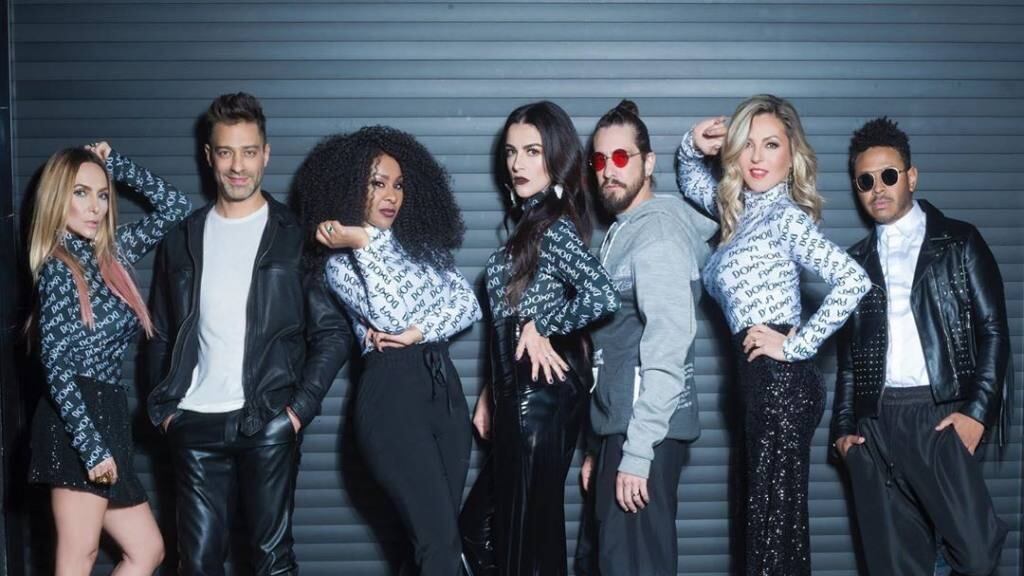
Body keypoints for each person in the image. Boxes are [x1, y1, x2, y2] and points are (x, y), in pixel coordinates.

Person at [146, 92, 352, 575]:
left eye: (248, 152)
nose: (237, 166)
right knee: (197, 565)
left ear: (266, 154)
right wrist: (165, 412)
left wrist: (297, 412)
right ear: (209, 156)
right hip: (194, 421)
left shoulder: (294, 235)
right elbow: (159, 332)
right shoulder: (182, 238)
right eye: (226, 152)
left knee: (270, 562)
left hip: (268, 420)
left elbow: (332, 332)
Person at [676, 94, 870, 575]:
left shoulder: (785, 216)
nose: (757, 157)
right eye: (747, 144)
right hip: (755, 384)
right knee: (761, 532)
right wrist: (692, 143)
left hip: (781, 384)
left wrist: (797, 345)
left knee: (771, 538)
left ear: (792, 153)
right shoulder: (740, 210)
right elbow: (690, 177)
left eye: (771, 144)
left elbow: (854, 280)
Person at [831, 117, 1009, 576]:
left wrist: (976, 414)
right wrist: (845, 433)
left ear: (911, 177)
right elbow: (850, 360)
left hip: (939, 415)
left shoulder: (959, 242)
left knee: (976, 553)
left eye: (888, 175)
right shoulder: (854, 263)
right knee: (893, 565)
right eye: (865, 181)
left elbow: (994, 331)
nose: (878, 189)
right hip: (876, 423)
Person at [303, 126, 482, 576]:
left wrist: (419, 331)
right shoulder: (341, 264)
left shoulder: (422, 248)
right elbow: (391, 314)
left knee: (432, 543)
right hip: (392, 395)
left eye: (398, 184)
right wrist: (363, 241)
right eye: (377, 183)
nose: (391, 196)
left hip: (444, 391)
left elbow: (468, 305)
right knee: (438, 547)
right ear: (351, 188)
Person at [465, 100, 620, 576]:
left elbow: (602, 295)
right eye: (511, 152)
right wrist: (491, 390)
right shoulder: (529, 226)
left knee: (526, 541)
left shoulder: (553, 227)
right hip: (514, 393)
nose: (517, 163)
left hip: (537, 399)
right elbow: (509, 316)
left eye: (532, 151)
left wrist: (542, 325)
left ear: (556, 157)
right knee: (486, 535)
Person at [27, 141, 190, 574]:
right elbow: (55, 366)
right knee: (78, 555)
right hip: (76, 420)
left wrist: (114, 163)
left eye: (102, 194)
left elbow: (175, 205)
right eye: (80, 193)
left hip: (109, 411)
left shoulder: (110, 254)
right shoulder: (58, 268)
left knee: (147, 550)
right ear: (57, 197)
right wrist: (90, 445)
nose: (94, 206)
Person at [581, 100, 716, 575]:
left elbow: (667, 346)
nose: (608, 170)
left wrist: (635, 453)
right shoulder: (623, 232)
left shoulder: (656, 235)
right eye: (600, 160)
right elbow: (615, 348)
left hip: (645, 436)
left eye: (622, 157)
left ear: (649, 162)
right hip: (623, 431)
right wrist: (601, 445)